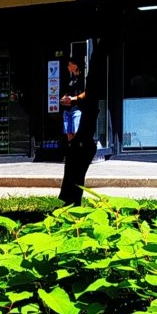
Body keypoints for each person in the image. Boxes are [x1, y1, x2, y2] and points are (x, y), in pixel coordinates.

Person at [57, 57, 96, 205]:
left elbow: (86, 94)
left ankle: (76, 150)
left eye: (69, 64)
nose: (68, 67)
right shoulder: (70, 79)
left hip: (77, 109)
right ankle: (71, 150)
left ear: (75, 65)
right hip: (67, 110)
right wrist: (64, 99)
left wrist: (73, 99)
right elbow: (66, 93)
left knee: (76, 132)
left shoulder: (83, 79)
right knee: (69, 132)